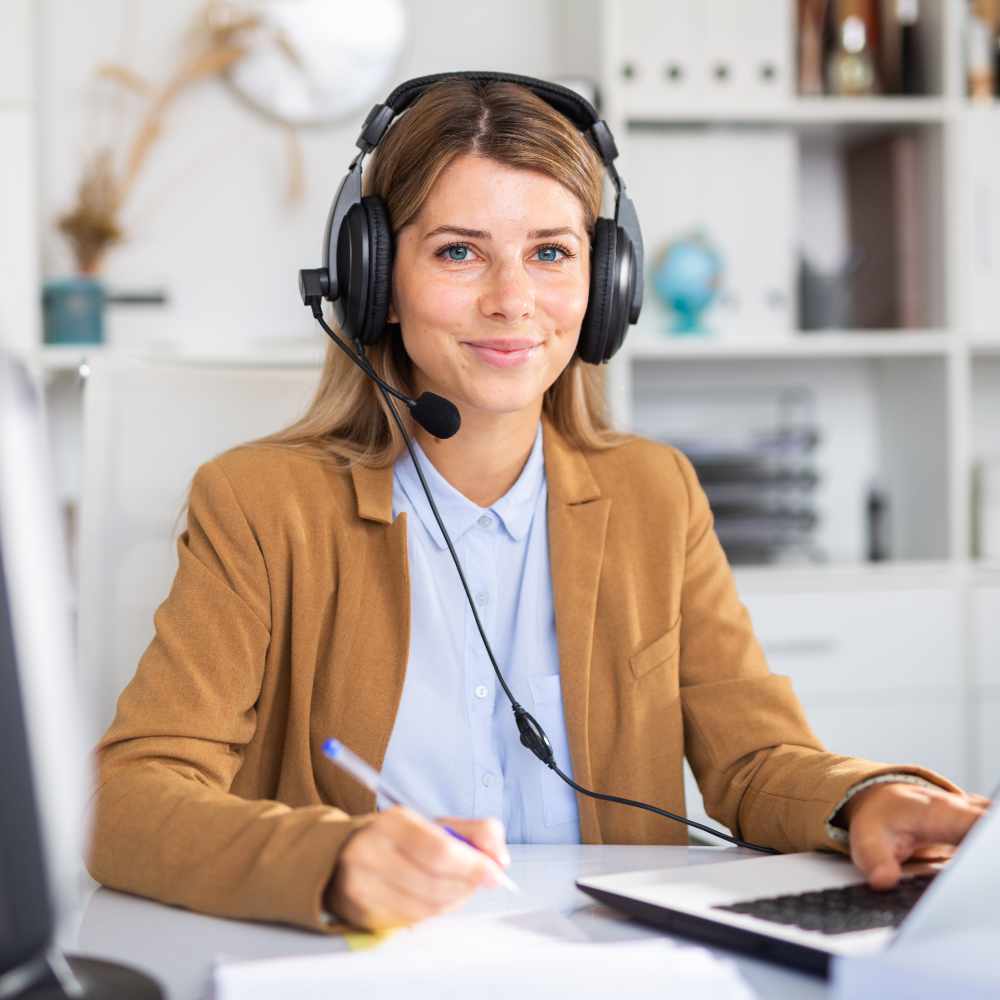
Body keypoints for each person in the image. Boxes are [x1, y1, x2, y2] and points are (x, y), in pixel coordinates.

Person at [87, 75, 989, 935]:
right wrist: (331, 860)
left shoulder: (654, 494)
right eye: (458, 251)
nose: (513, 301)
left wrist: (866, 797)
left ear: (607, 284)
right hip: (365, 965)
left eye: (552, 252)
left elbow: (755, 761)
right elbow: (127, 800)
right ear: (372, 283)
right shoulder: (259, 505)